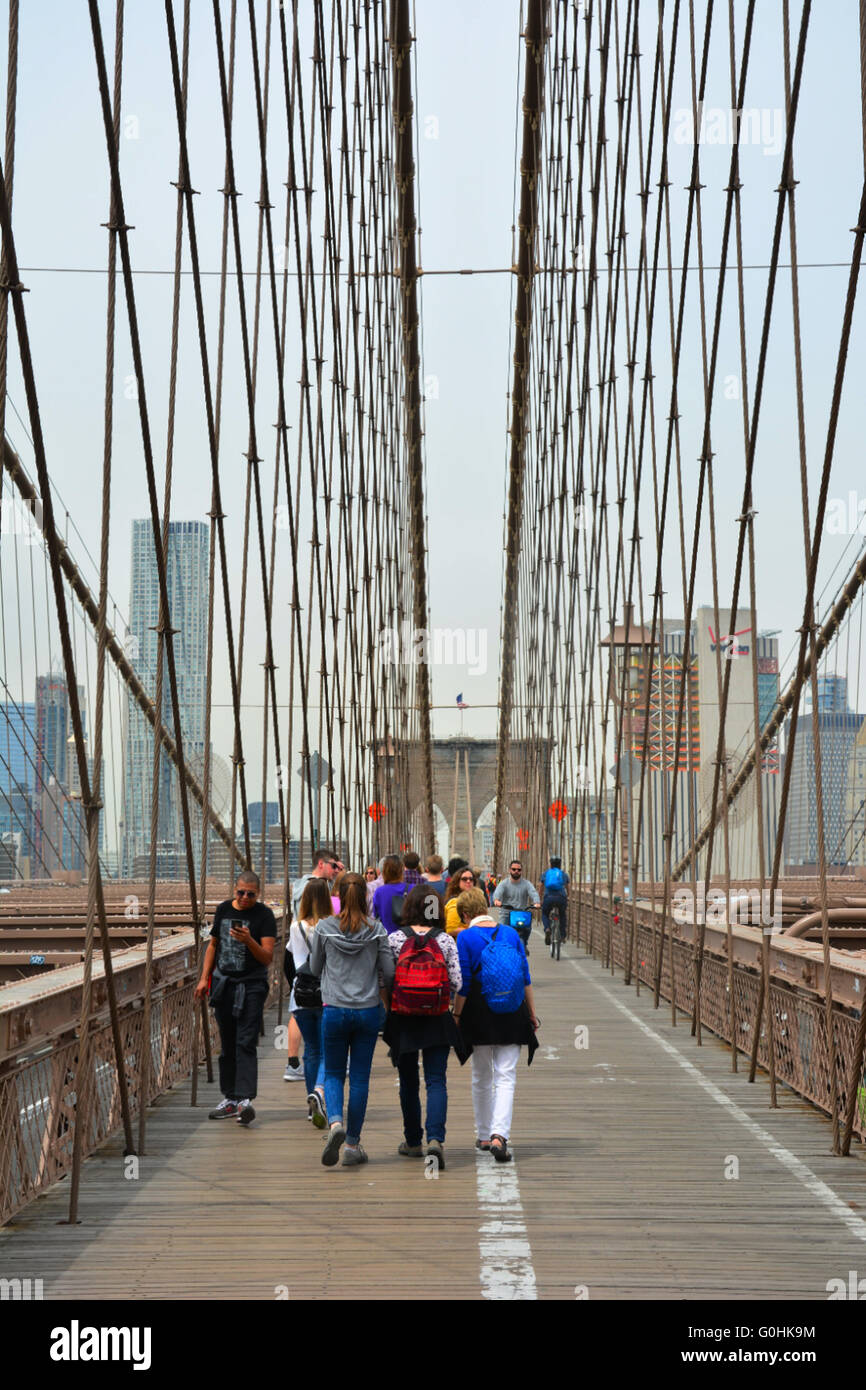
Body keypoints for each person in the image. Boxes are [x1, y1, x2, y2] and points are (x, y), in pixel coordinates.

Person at [309, 872, 395, 1167]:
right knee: (359, 1078)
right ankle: (352, 1145)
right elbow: (389, 971)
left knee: (333, 1073)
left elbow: (314, 966)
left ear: (337, 896)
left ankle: (335, 1125)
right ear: (365, 897)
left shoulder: (324, 927)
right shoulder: (377, 930)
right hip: (368, 1011)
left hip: (334, 1009)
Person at [383, 885, 463, 1170]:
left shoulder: (393, 939)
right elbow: (457, 983)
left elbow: (386, 980)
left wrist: (392, 1005)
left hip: (403, 1019)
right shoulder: (445, 941)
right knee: (436, 1080)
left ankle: (413, 1141)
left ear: (409, 908)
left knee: (408, 1081)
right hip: (438, 1018)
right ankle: (436, 1141)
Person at [453, 894, 538, 1163]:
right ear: (485, 908)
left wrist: (456, 1015)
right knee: (506, 1075)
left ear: (466, 915)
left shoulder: (465, 938)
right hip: (512, 1009)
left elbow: (464, 983)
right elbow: (525, 977)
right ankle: (500, 1135)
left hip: (478, 1009)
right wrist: (532, 1015)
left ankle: (483, 1134)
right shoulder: (511, 933)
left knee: (481, 1074)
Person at [196, 870, 276, 1126]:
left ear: (258, 894)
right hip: (224, 984)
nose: (244, 898)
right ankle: (230, 1098)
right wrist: (203, 978)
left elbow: (267, 957)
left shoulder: (264, 916)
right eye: (240, 892)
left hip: (252, 985)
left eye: (250, 894)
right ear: (235, 890)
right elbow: (213, 946)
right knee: (227, 1043)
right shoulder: (222, 910)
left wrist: (249, 940)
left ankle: (245, 1100)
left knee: (246, 1041)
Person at [289, 877, 333, 1128]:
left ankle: (310, 1106)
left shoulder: (296, 927)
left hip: (302, 994)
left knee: (311, 1051)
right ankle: (319, 1092)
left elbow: (295, 963)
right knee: (328, 1050)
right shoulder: (330, 926)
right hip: (326, 993)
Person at [492, 859, 540, 954]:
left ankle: (524, 944)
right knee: (502, 933)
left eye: (519, 869)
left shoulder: (526, 884)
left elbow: (533, 892)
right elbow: (497, 892)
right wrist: (496, 900)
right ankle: (503, 951)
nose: (516, 871)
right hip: (506, 913)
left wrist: (536, 902)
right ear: (510, 870)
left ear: (521, 871)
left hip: (521, 913)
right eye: (514, 869)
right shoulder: (504, 883)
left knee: (528, 928)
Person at [371, 854, 407, 934]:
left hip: (387, 937)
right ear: (401, 870)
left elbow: (376, 915)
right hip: (408, 939)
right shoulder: (412, 889)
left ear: (384, 871)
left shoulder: (379, 892)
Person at [539, 856, 570, 944]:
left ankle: (547, 928)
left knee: (545, 913)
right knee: (562, 914)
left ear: (551, 864)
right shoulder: (563, 874)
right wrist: (568, 896)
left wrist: (540, 898)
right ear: (560, 865)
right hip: (561, 898)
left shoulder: (546, 873)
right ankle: (563, 935)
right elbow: (568, 887)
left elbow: (541, 886)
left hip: (548, 898)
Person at [443, 864, 478, 935]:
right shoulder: (455, 902)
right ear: (457, 882)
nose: (468, 881)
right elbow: (451, 929)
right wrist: (473, 931)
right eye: (464, 879)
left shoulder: (473, 899)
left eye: (471, 879)